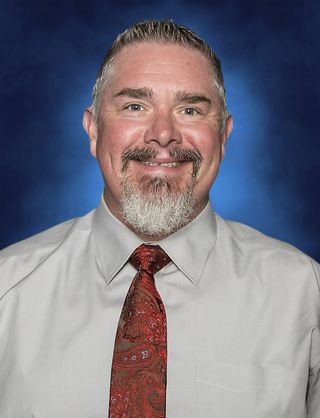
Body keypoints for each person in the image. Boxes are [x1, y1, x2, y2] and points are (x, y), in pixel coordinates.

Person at [0, 19, 319, 418]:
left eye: (190, 109)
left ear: (224, 136)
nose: (163, 134)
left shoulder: (303, 292)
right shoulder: (8, 289)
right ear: (93, 130)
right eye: (135, 106)